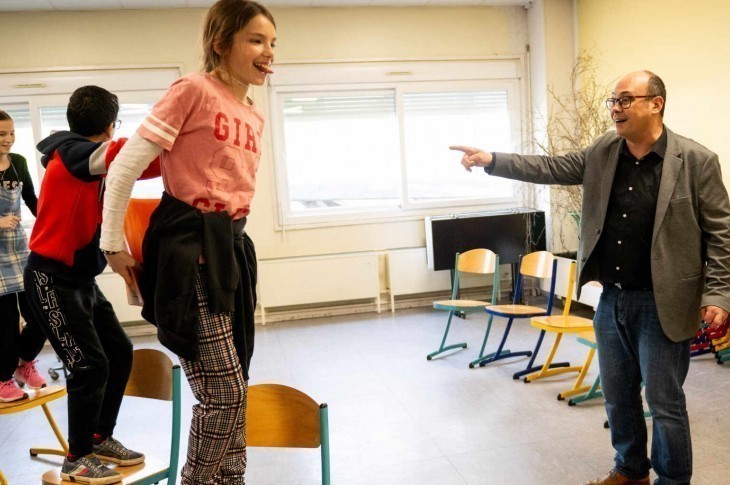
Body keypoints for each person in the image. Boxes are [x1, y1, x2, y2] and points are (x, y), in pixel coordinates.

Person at [451, 70, 730, 485]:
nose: (615, 108)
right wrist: (492, 160)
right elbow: (550, 166)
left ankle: (672, 481)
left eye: (625, 99)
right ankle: (630, 471)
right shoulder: (604, 151)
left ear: (656, 103)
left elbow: (720, 232)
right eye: (612, 101)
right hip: (612, 298)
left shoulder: (695, 160)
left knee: (664, 401)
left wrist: (719, 293)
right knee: (618, 397)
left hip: (664, 301)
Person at [99, 1, 275, 483]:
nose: (269, 53)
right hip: (187, 252)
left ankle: (230, 479)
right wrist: (112, 242)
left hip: (231, 252)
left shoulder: (253, 113)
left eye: (273, 43)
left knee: (238, 385)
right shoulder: (193, 90)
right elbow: (124, 168)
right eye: (256, 40)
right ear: (221, 43)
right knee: (224, 395)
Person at [24, 85, 161, 485]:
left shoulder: (80, 157)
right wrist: (169, 135)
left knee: (118, 352)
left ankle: (100, 438)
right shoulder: (71, 155)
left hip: (79, 280)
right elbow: (128, 157)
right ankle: (77, 457)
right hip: (50, 279)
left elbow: (135, 165)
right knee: (88, 365)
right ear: (109, 125)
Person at [0, 109, 48, 403]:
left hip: (18, 249)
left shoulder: (17, 163)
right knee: (4, 324)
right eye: (2, 135)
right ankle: (3, 379)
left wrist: (52, 221)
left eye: (12, 133)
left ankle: (23, 364)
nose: (9, 140)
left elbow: (31, 199)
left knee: (40, 314)